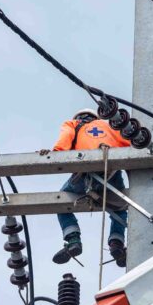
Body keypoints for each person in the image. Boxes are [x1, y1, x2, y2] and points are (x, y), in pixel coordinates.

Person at [39, 108, 130, 267]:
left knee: (61, 202)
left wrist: (55, 152)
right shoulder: (109, 125)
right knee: (120, 208)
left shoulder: (73, 124)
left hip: (84, 174)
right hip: (111, 174)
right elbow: (130, 143)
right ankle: (116, 242)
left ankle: (73, 239)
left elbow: (65, 138)